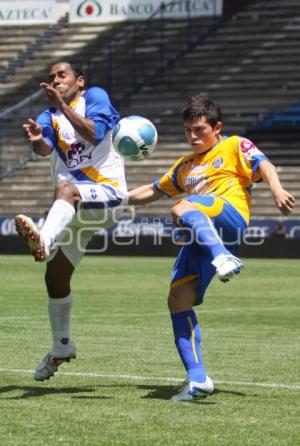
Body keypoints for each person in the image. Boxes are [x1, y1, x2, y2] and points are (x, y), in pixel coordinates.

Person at [128, 96, 295, 401]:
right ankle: (198, 379)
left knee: (181, 206)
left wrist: (277, 188)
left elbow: (264, 164)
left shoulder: (233, 146)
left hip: (229, 215)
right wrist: (115, 198)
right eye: (188, 130)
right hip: (201, 235)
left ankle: (223, 256)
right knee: (178, 299)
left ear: (217, 128)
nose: (193, 136)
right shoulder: (185, 166)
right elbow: (151, 191)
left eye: (199, 129)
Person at [15, 61, 127, 381]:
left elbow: (96, 133)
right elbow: (44, 148)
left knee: (65, 188)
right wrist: (37, 138)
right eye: (51, 77)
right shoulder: (48, 115)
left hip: (106, 195)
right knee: (55, 277)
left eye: (61, 75)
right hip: (77, 213)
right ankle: (61, 345)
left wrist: (62, 105)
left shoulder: (94, 97)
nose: (55, 80)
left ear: (80, 80)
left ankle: (45, 241)